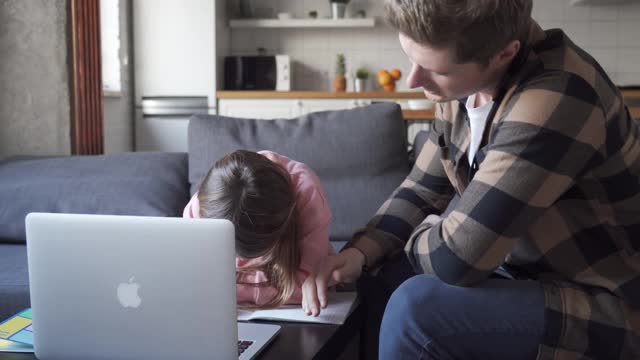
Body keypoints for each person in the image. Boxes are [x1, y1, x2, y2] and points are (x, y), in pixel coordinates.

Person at [303, 0, 640, 358]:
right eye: (411, 57)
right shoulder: (462, 85)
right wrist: (359, 251)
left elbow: (457, 260)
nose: (414, 80)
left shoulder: (559, 98)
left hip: (607, 303)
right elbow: (422, 188)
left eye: (436, 70)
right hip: (527, 277)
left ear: (502, 54)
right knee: (376, 275)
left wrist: (421, 236)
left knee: (416, 310)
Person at [183, 149, 333, 309]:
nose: (240, 261)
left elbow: (309, 286)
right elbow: (193, 279)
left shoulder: (307, 192)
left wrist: (226, 289)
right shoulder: (203, 207)